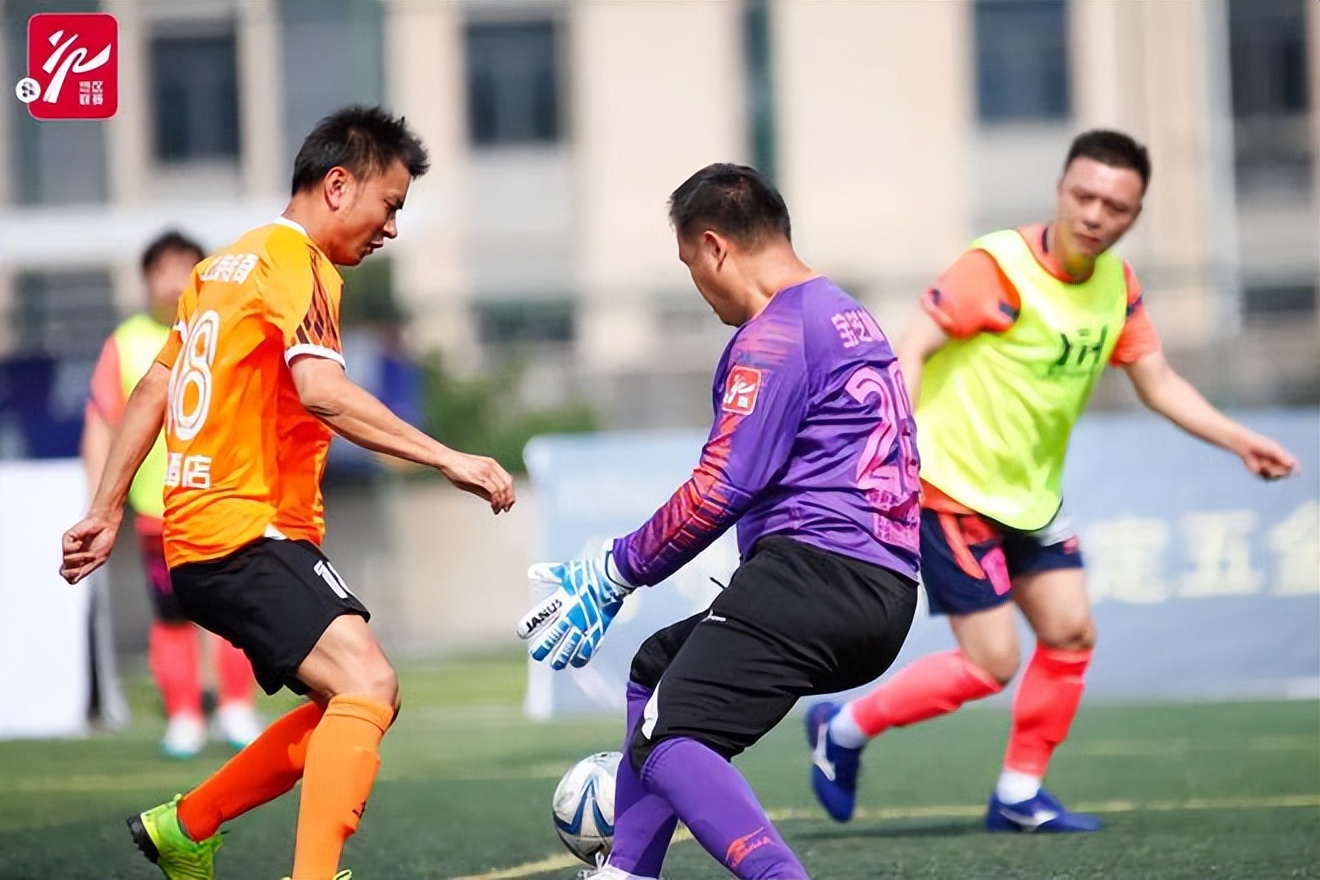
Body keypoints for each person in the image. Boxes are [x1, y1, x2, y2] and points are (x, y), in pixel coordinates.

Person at [60, 105, 516, 880]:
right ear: (340, 185)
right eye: (391, 205)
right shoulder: (297, 264)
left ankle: (188, 824)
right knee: (369, 684)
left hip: (206, 535)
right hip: (243, 530)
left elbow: (154, 391)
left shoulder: (224, 265)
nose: (392, 228)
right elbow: (323, 392)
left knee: (357, 701)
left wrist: (106, 510)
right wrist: (448, 458)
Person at [805, 129, 1299, 833]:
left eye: (1116, 206)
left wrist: (1239, 440)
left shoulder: (1117, 287)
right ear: (1061, 191)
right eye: (1085, 195)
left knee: (1070, 633)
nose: (1097, 214)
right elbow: (911, 349)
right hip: (951, 490)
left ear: (1134, 215)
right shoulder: (995, 267)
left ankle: (1018, 794)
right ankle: (843, 727)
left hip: (1031, 498)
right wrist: (894, 451)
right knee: (992, 663)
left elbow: (1156, 381)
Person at [518, 163, 922, 880]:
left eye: (689, 266)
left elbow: (719, 488)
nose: (698, 288)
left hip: (816, 575)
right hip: (882, 589)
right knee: (658, 671)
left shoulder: (775, 335)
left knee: (674, 736)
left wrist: (614, 572)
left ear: (713, 247)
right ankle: (629, 872)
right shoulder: (844, 311)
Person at [82, 230, 263, 758]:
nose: (176, 280)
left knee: (234, 610)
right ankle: (183, 714)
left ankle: (236, 707)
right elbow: (101, 424)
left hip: (223, 500)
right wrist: (101, 503)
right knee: (172, 615)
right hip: (155, 511)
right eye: (165, 269)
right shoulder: (125, 343)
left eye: (188, 267)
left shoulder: (223, 334)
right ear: (146, 280)